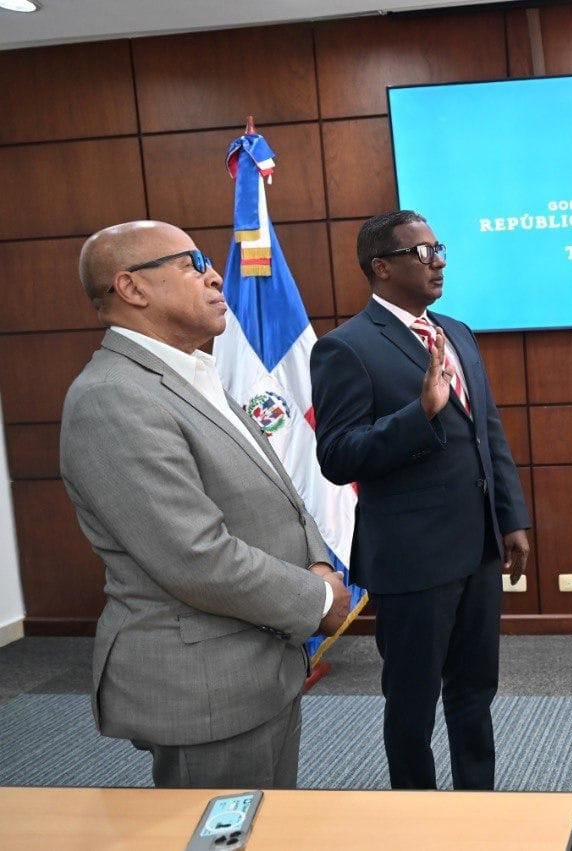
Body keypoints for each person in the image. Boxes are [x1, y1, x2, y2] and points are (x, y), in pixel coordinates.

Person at [61, 220, 352, 789]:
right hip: (205, 685)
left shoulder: (193, 372)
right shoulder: (112, 397)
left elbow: (281, 492)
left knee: (270, 821)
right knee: (222, 827)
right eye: (192, 264)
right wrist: (318, 596)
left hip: (261, 660)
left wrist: (318, 561)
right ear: (132, 288)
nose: (215, 275)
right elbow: (193, 556)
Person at [310, 210, 530, 790]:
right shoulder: (345, 348)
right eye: (423, 253)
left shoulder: (457, 332)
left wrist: (510, 517)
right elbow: (338, 456)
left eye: (440, 249)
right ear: (381, 267)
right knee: (412, 702)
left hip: (478, 547)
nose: (439, 262)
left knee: (475, 690)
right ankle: (415, 810)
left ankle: (477, 801)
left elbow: (487, 431)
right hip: (411, 559)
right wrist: (420, 413)